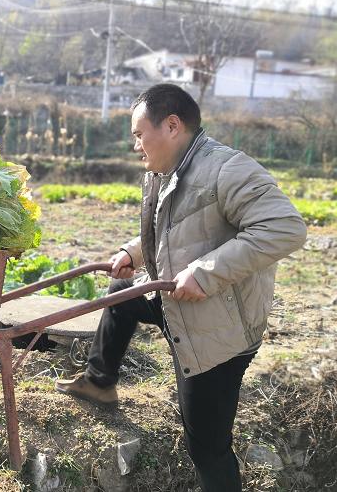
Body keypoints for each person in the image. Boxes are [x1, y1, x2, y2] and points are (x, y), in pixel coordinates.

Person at [54, 84, 307, 491]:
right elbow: (175, 229)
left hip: (218, 326)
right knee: (122, 297)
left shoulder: (227, 169)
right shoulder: (171, 169)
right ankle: (100, 383)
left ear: (172, 125)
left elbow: (286, 228)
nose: (135, 144)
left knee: (207, 446)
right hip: (179, 298)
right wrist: (133, 253)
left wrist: (205, 272)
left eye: (139, 134)